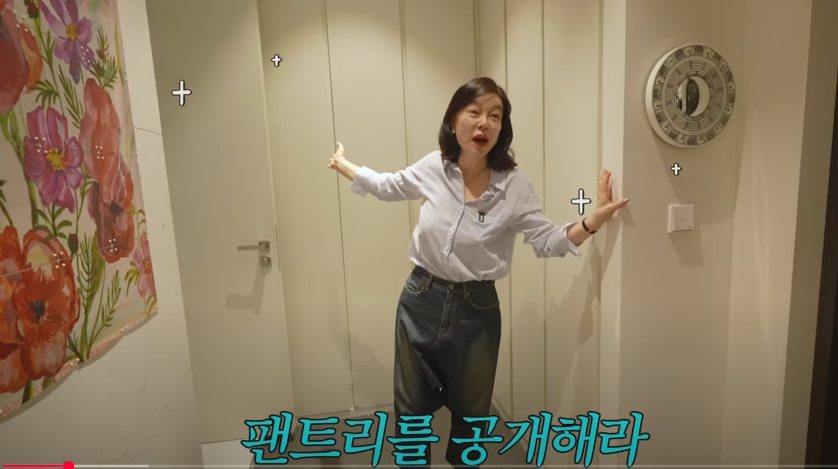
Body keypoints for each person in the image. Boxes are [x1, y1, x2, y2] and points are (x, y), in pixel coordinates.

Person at [327, 77, 628, 468]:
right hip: (420, 299)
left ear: (502, 129)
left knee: (471, 418)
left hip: (477, 310)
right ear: (454, 121)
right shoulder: (433, 167)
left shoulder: (515, 186)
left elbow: (547, 239)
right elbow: (387, 186)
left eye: (495, 116)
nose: (484, 122)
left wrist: (594, 220)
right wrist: (343, 164)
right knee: (411, 412)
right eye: (474, 112)